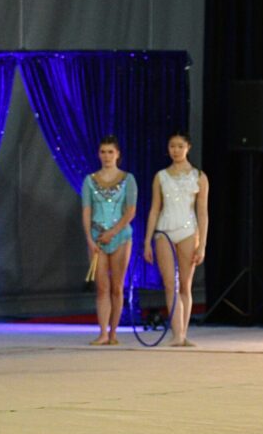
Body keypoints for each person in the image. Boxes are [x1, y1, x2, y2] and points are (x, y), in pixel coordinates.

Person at [143, 131, 210, 347]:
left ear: (188, 147)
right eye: (172, 146)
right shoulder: (161, 176)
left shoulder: (199, 176)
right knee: (170, 284)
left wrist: (202, 244)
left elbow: (202, 213)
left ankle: (183, 333)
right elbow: (155, 209)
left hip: (188, 231)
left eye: (180, 146)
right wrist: (147, 241)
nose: (176, 150)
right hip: (164, 231)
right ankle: (176, 334)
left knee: (185, 285)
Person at [81, 135, 138, 346]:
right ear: (98, 154)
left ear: (118, 154)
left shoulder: (128, 179)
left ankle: (113, 333)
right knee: (102, 287)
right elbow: (86, 211)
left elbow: (131, 211)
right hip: (97, 237)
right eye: (103, 152)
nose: (107, 156)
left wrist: (113, 232)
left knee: (117, 286)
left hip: (121, 237)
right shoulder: (89, 180)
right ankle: (103, 332)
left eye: (110, 152)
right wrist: (89, 238)